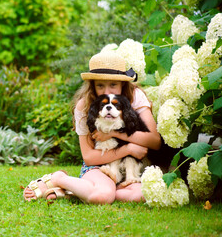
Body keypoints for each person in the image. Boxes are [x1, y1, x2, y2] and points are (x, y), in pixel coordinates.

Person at [23, 51, 161, 204]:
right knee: (101, 196)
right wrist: (128, 149)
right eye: (100, 86)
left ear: (123, 84)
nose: (107, 92)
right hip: (99, 166)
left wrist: (114, 134)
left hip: (128, 167)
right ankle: (59, 178)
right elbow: (89, 157)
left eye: (113, 85)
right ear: (93, 86)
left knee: (140, 195)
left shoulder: (135, 96)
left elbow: (154, 140)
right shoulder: (84, 105)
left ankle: (75, 191)